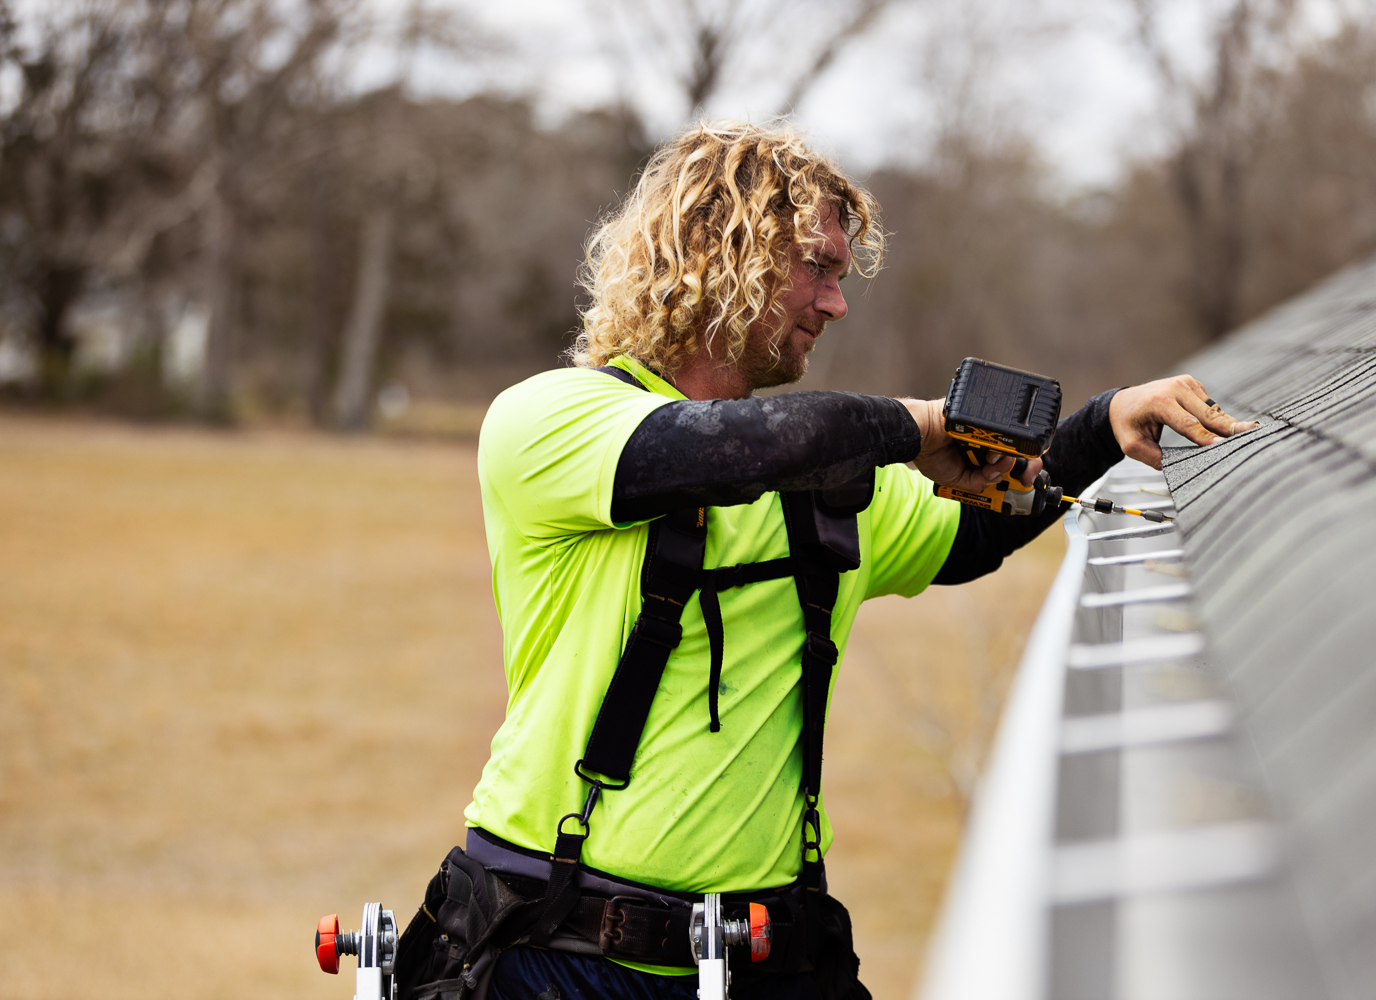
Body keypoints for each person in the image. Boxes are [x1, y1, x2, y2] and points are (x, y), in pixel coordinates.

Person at [393, 120, 1257, 1000]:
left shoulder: (829, 482)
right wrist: (922, 428)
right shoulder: (547, 421)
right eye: (819, 268)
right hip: (554, 956)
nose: (838, 304)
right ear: (719, 253)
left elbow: (970, 538)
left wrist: (1101, 426)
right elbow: (714, 453)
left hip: (768, 957)